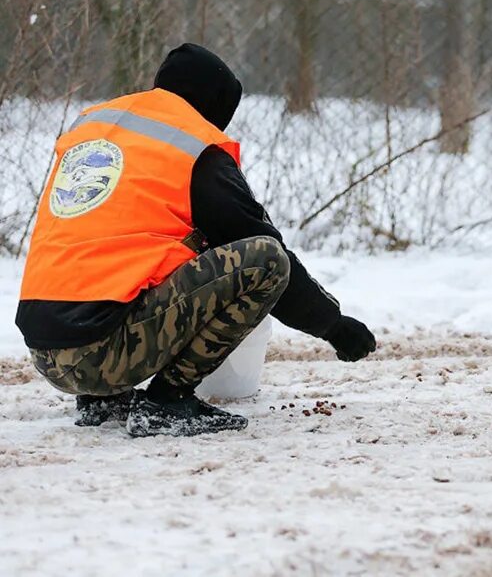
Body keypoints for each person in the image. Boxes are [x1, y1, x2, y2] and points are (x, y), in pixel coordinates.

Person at [16, 43, 376, 437]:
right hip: (102, 354)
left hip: (45, 350)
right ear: (213, 105)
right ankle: (168, 402)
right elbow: (261, 246)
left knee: (154, 246)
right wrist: (334, 326)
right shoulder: (193, 148)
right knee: (266, 261)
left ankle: (102, 398)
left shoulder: (96, 129)